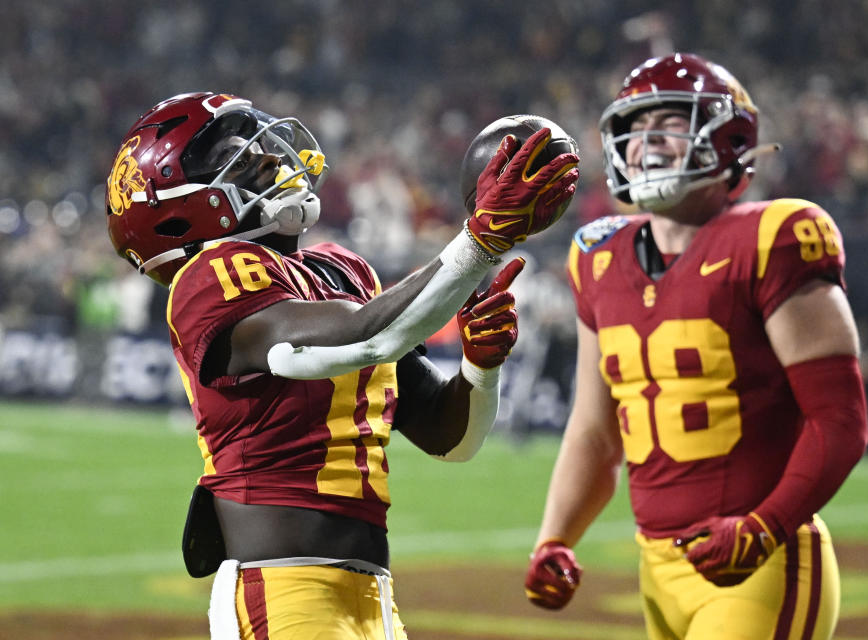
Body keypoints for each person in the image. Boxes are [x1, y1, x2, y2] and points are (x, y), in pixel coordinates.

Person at [105, 92, 578, 639]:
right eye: (233, 153)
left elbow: (449, 437)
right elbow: (366, 337)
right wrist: (480, 243)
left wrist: (481, 366)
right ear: (178, 205)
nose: (265, 156)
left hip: (373, 595)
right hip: (281, 592)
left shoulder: (341, 269)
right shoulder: (210, 278)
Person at [524, 53, 868, 640]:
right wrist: (554, 537)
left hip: (763, 561)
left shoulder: (774, 238)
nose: (647, 141)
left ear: (727, 138)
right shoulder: (596, 257)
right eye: (637, 127)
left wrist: (766, 527)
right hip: (656, 569)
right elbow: (594, 429)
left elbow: (840, 420)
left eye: (671, 121)